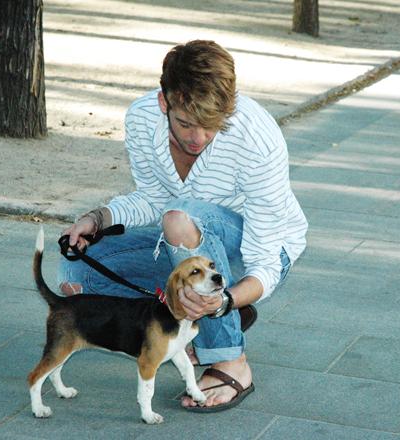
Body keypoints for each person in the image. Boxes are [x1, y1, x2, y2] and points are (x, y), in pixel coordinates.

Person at [58, 40, 308, 412]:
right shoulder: (143, 118)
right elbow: (152, 198)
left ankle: (229, 357)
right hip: (186, 245)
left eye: (211, 126)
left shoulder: (257, 137)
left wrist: (226, 300)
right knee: (77, 270)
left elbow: (265, 256)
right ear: (165, 103)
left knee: (180, 219)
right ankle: (186, 328)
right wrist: (98, 219)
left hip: (258, 246)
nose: (198, 138)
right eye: (186, 123)